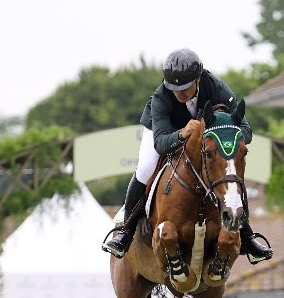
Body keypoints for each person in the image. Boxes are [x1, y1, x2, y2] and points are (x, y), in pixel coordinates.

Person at [102, 48, 271, 263]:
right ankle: (125, 233)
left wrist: (218, 131)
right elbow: (162, 143)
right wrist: (182, 134)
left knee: (229, 171)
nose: (179, 93)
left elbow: (245, 132)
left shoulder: (217, 88)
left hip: (205, 134)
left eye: (185, 88)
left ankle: (247, 237)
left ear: (198, 79)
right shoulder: (161, 98)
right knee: (145, 168)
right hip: (163, 131)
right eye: (174, 88)